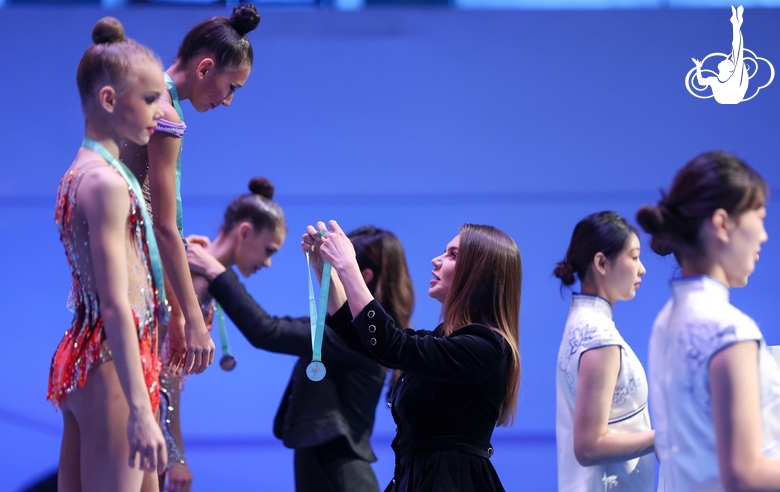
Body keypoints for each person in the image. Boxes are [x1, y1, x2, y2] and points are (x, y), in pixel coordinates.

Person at [184, 179, 415, 491]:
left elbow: (266, 331)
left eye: (338, 262)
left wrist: (214, 271)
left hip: (341, 469)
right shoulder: (350, 332)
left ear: (363, 275)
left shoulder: (362, 337)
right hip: (326, 462)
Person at [304, 221, 521, 492]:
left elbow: (389, 343)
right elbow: (364, 340)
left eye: (453, 255)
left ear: (480, 274)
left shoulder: (485, 346)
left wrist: (348, 266)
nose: (436, 260)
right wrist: (326, 272)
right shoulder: (443, 338)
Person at [47, 17, 168, 491]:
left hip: (87, 354)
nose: (160, 112)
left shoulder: (79, 173)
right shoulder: (104, 183)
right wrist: (140, 407)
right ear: (110, 100)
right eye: (151, 98)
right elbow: (117, 301)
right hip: (114, 362)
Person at [121, 4, 261, 378]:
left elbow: (148, 215)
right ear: (204, 68)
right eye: (231, 87)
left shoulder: (141, 95)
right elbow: (163, 227)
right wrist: (192, 319)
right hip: (131, 281)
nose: (228, 101)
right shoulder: (165, 115)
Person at [636, 151, 780, 490]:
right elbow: (744, 472)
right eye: (759, 217)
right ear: (721, 224)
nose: (764, 235)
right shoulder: (729, 330)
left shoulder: (667, 320)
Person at [553, 211, 655, 492]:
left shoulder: (583, 321)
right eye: (634, 257)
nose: (642, 268)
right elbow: (589, 446)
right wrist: (663, 438)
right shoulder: (598, 336)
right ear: (601, 262)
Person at [691, 6, 748, 104]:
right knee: (736, 51)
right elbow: (701, 82)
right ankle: (736, 24)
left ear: (728, 69)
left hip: (734, 96)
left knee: (737, 50)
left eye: (726, 61)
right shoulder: (714, 80)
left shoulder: (734, 77)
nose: (724, 59)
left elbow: (737, 48)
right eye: (726, 60)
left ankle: (736, 23)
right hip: (726, 98)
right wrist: (698, 67)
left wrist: (736, 25)